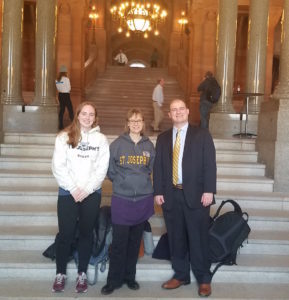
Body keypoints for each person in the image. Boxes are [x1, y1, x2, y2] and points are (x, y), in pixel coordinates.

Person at [153, 99, 216, 297]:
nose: (178, 112)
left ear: (188, 111)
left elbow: (210, 164)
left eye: (181, 109)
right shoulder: (162, 138)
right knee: (176, 237)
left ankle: (203, 278)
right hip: (171, 195)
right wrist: (158, 191)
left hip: (197, 196)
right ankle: (180, 275)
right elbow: (159, 167)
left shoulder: (202, 134)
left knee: (198, 238)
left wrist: (209, 190)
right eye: (174, 110)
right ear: (169, 114)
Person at [51, 101, 110, 293]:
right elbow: (58, 167)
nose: (87, 117)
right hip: (68, 193)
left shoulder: (101, 139)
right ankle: (60, 273)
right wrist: (73, 188)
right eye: (84, 113)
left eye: (91, 114)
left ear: (95, 117)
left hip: (91, 194)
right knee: (65, 234)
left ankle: (82, 273)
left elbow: (101, 169)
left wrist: (87, 189)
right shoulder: (63, 137)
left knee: (86, 234)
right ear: (77, 115)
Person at [101, 108, 155, 295]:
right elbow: (109, 168)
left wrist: (142, 183)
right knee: (119, 243)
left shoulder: (149, 145)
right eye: (132, 120)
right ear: (127, 123)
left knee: (134, 243)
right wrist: (121, 181)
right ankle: (113, 280)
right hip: (122, 200)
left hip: (142, 199)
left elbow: (152, 168)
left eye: (138, 120)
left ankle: (129, 277)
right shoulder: (117, 144)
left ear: (143, 123)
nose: (135, 123)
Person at [56, 65, 74, 130]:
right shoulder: (66, 79)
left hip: (60, 95)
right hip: (66, 95)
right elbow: (69, 88)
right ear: (65, 72)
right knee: (70, 110)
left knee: (62, 110)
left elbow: (58, 88)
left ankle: (60, 125)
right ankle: (74, 125)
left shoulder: (57, 80)